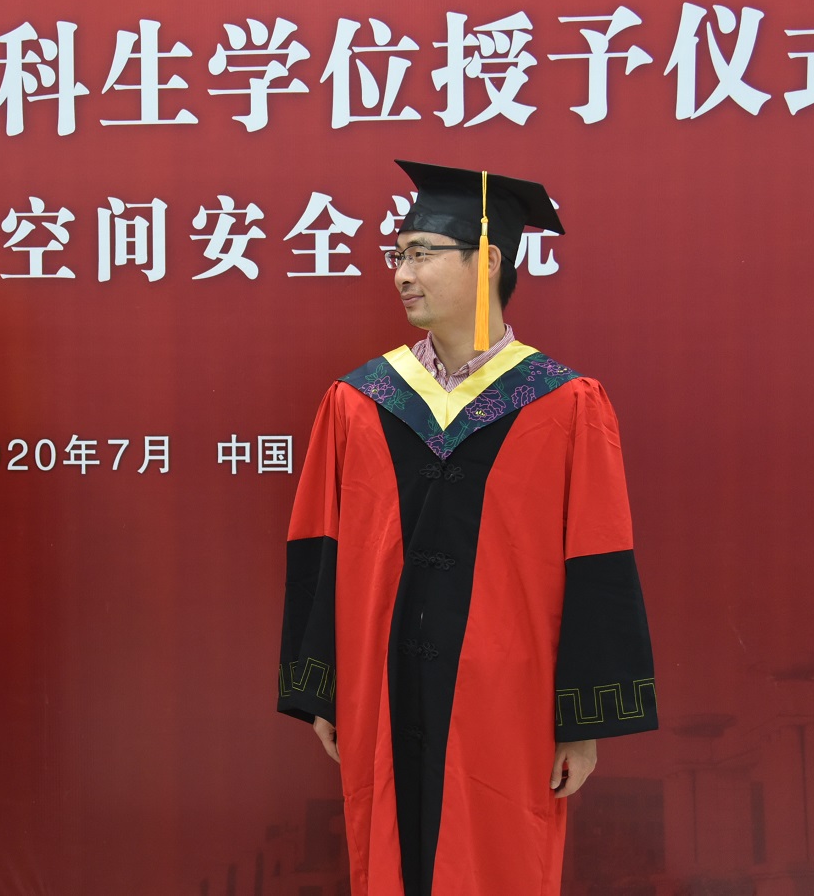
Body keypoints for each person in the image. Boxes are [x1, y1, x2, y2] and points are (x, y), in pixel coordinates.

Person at [277, 162, 658, 896]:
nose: (401, 274)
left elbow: (599, 563)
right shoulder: (359, 400)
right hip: (381, 681)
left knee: (499, 854)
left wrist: (581, 721)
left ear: (486, 260)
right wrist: (320, 686)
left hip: (509, 692)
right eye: (397, 255)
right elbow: (318, 545)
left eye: (421, 253)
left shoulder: (565, 404)